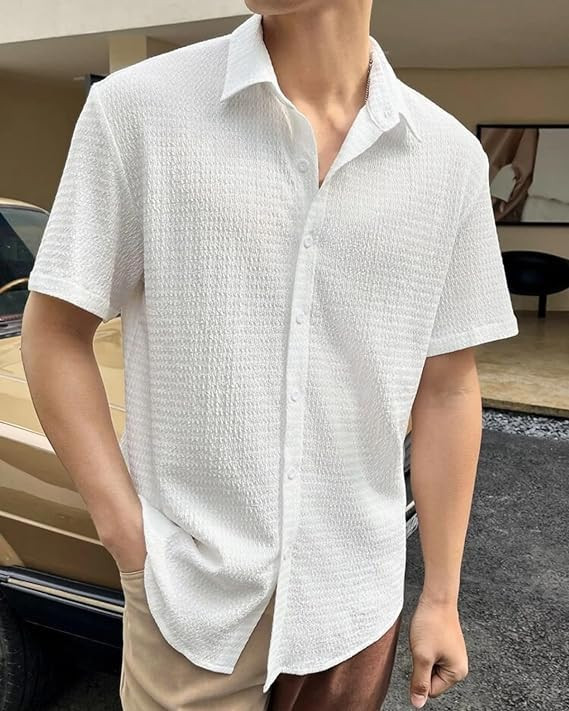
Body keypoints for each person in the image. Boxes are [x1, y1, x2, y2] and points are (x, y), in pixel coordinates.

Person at [21, 1, 519, 709]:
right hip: (189, 601)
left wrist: (441, 594)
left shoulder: (447, 159)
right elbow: (54, 331)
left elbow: (446, 386)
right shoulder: (138, 111)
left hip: (355, 605)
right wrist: (128, 536)